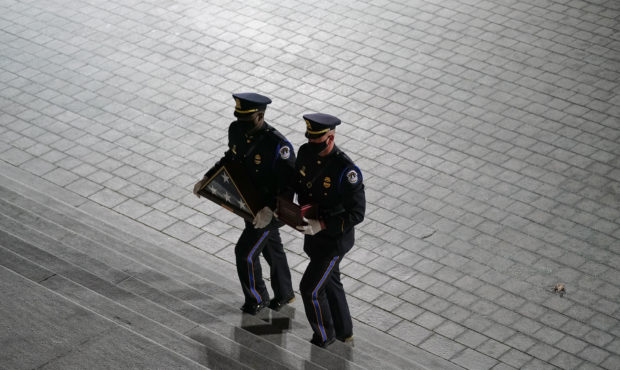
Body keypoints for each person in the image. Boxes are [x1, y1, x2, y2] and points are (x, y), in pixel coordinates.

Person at [193, 93, 296, 315]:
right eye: (239, 117)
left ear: (260, 116)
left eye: (246, 119)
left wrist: (270, 210)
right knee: (272, 250)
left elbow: (289, 186)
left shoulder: (278, 145)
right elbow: (231, 157)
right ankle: (285, 293)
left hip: (270, 211)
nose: (241, 123)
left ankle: (257, 299)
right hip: (249, 204)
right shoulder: (236, 129)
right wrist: (207, 178)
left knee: (245, 253)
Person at [285, 113, 365, 347]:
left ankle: (324, 334)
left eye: (318, 143)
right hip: (313, 237)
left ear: (330, 138)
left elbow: (356, 213)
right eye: (310, 140)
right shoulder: (306, 151)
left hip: (334, 241)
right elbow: (296, 183)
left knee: (310, 288)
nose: (313, 147)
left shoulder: (346, 171)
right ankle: (344, 331)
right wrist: (285, 206)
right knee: (331, 281)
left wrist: (323, 224)